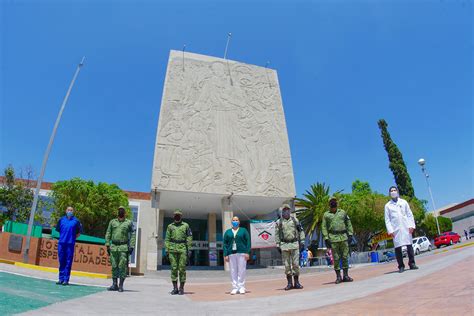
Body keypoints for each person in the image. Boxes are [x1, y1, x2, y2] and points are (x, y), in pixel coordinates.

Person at [384, 186, 418, 273]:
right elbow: (387, 219)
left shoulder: (404, 202)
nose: (393, 192)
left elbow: (409, 214)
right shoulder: (388, 206)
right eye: (391, 191)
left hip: (406, 227)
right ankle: (401, 266)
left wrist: (411, 226)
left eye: (394, 190)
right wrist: (390, 231)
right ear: (389, 193)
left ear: (397, 191)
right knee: (398, 248)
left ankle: (412, 263)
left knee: (409, 245)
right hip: (396, 229)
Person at [322, 197, 354, 284]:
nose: (333, 203)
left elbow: (348, 223)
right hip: (333, 238)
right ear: (329, 204)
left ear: (337, 203)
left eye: (334, 201)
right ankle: (338, 277)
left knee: (345, 256)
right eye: (331, 202)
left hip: (343, 237)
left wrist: (350, 234)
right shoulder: (326, 215)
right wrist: (326, 238)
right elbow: (324, 227)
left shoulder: (343, 212)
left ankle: (346, 275)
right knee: (336, 258)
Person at [105, 206, 136, 292]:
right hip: (114, 246)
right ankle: (114, 284)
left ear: (125, 213)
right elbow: (108, 233)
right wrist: (107, 245)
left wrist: (132, 246)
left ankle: (121, 285)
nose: (120, 212)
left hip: (123, 247)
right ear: (117, 212)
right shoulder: (112, 222)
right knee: (114, 265)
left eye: (122, 210)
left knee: (122, 266)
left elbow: (133, 234)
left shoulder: (129, 223)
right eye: (119, 210)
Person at [275, 204, 305, 290]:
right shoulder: (279, 222)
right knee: (287, 265)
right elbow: (277, 234)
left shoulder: (295, 220)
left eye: (287, 209)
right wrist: (278, 245)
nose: (286, 211)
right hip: (284, 245)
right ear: (282, 212)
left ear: (290, 211)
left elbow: (301, 230)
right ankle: (289, 283)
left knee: (296, 264)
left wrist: (302, 241)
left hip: (294, 244)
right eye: (284, 210)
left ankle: (297, 283)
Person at [165, 209, 193, 295]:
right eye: (175, 215)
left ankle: (181, 288)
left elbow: (189, 237)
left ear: (181, 216)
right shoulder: (170, 226)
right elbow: (167, 239)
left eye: (179, 215)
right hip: (172, 249)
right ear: (173, 216)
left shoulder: (186, 225)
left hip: (182, 249)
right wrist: (167, 249)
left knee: (182, 269)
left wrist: (189, 249)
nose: (177, 216)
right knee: (173, 268)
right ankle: (175, 288)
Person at [223, 216, 251, 295]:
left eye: (236, 220)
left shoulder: (243, 230)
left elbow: (248, 241)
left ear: (239, 222)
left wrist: (247, 252)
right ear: (231, 222)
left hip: (242, 253)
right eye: (233, 220)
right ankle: (234, 288)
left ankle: (241, 287)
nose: (235, 221)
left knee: (241, 270)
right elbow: (225, 244)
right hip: (231, 253)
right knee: (233, 271)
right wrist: (226, 254)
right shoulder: (227, 232)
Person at [55, 206, 82, 285]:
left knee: (68, 262)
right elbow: (59, 230)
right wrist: (63, 237)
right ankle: (61, 279)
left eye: (71, 210)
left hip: (70, 244)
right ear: (65, 211)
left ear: (73, 212)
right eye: (68, 210)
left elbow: (79, 232)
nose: (69, 211)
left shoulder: (76, 221)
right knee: (61, 261)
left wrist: (72, 238)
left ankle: (66, 280)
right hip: (62, 243)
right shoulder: (61, 220)